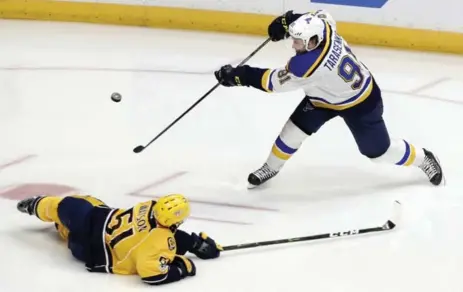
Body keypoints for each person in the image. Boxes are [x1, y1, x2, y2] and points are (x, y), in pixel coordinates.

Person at [214, 10, 444, 188]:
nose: (293, 45)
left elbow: (271, 83)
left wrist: (238, 76)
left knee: (378, 153)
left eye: (297, 41)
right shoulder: (325, 27)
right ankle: (270, 167)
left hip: (360, 102)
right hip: (323, 97)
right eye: (293, 39)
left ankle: (424, 158)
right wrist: (288, 22)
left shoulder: (305, 66)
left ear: (313, 42)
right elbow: (315, 17)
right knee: (293, 131)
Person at [16, 193, 222, 285]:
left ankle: (38, 206)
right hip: (90, 251)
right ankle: (62, 227)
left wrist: (194, 244)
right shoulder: (161, 242)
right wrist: (184, 266)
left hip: (94, 220)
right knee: (71, 234)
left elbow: (166, 237)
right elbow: (153, 275)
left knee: (73, 204)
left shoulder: (148, 206)